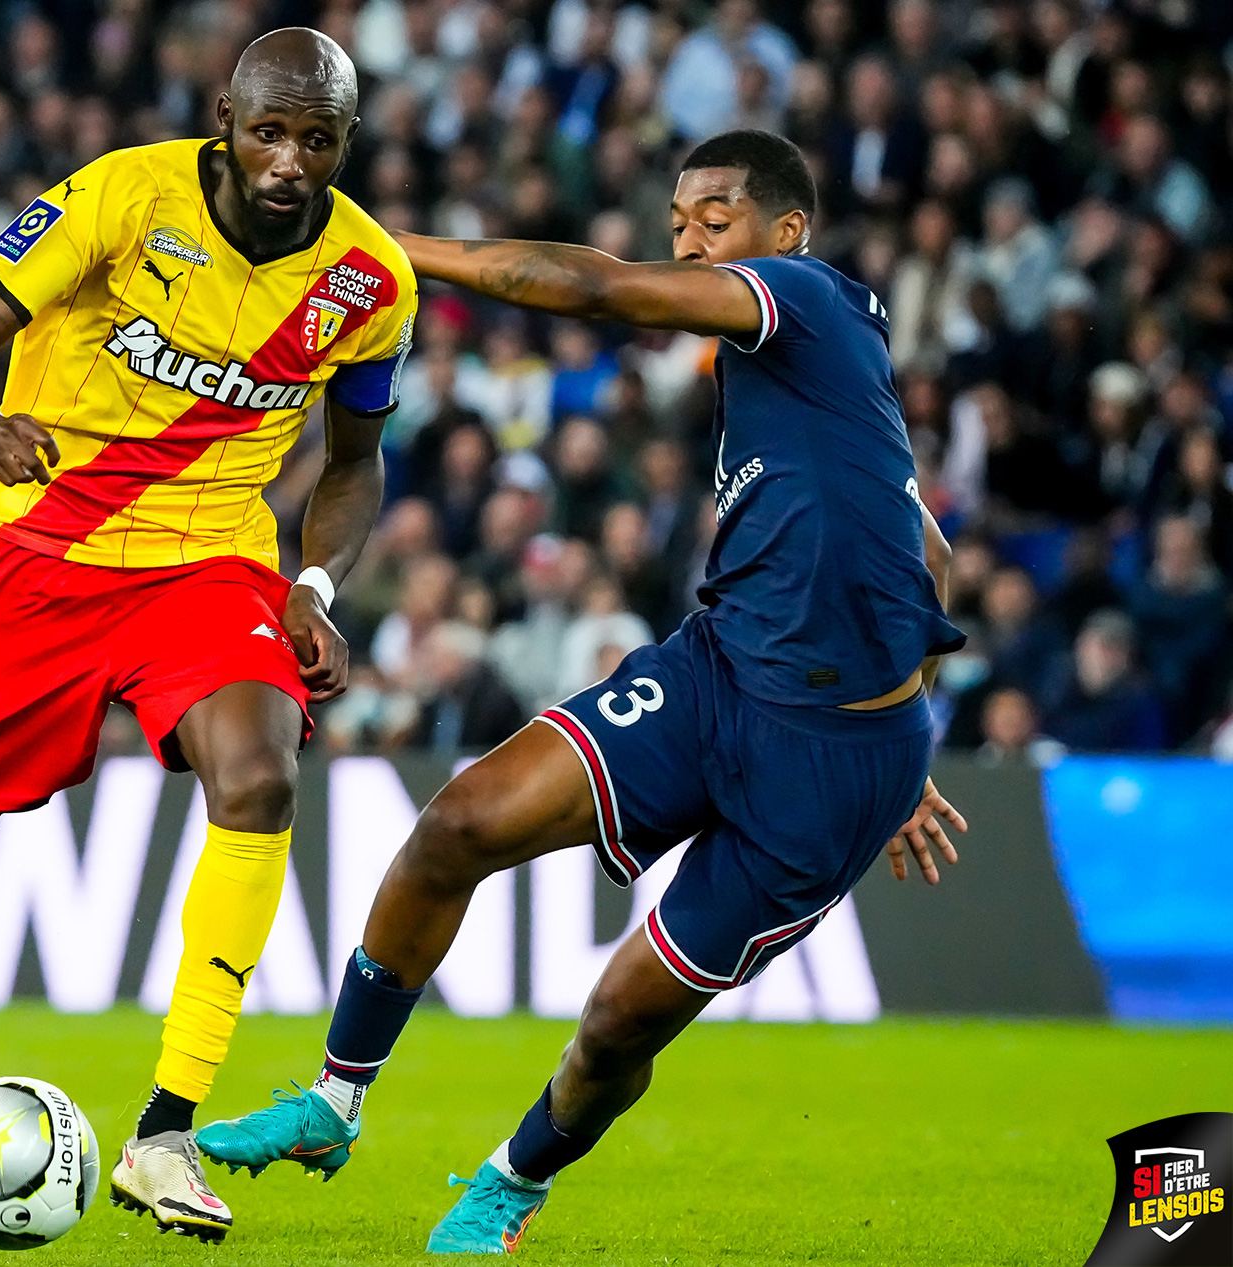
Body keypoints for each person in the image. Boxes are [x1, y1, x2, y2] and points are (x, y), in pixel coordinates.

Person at [195, 130, 967, 1253]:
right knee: (456, 823)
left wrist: (391, 250)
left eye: (713, 218)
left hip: (831, 774)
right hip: (714, 678)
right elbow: (929, 558)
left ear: (784, 233)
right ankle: (332, 1098)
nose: (688, 239)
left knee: (616, 1025)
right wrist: (915, 710)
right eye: (677, 222)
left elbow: (598, 288)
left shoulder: (800, 298)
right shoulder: (806, 382)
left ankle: (512, 1179)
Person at [0, 29, 417, 1242]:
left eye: (314, 138)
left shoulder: (368, 281)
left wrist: (314, 584)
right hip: (37, 556)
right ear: (224, 117)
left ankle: (164, 1133)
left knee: (262, 774)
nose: (287, 159)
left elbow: (355, 462)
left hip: (206, 561)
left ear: (345, 143)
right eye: (267, 130)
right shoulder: (123, 194)